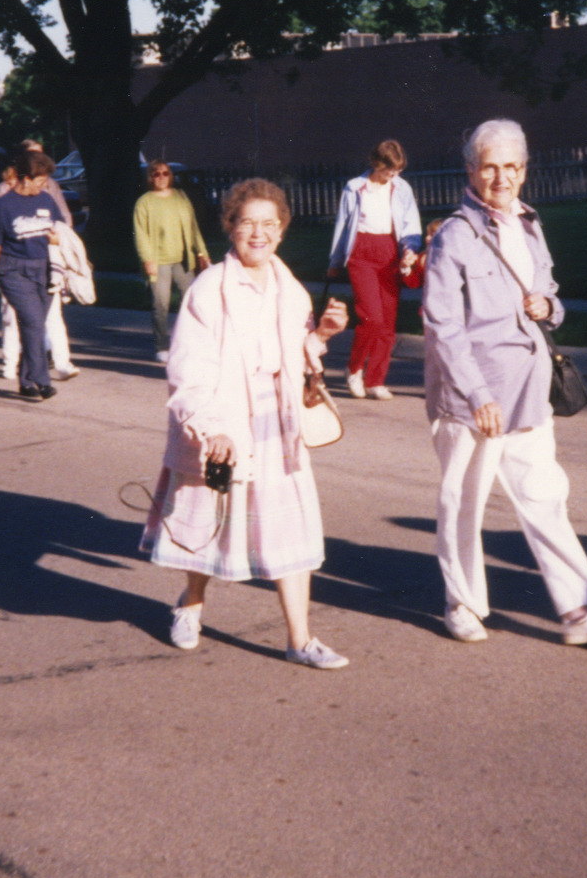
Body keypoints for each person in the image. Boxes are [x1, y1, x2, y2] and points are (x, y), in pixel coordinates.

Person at [421, 119, 587, 647]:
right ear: (471, 171)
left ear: (523, 170)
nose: (501, 177)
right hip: (475, 399)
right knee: (464, 502)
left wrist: (550, 306)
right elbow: (441, 324)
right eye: (489, 167)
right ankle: (462, 605)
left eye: (511, 167)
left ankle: (581, 613)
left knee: (545, 496)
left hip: (528, 390)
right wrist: (477, 394)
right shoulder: (455, 235)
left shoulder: (529, 224)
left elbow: (548, 292)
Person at [140, 178, 352, 668]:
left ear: (282, 230)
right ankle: (191, 604)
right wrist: (210, 427)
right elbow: (188, 369)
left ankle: (299, 640)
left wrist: (321, 335)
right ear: (230, 227)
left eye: (269, 224)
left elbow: (295, 358)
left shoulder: (289, 287)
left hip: (277, 426)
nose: (259, 233)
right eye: (248, 223)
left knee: (291, 531)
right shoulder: (210, 289)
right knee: (212, 525)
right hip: (225, 423)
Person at [326, 139, 422, 401]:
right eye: (390, 169)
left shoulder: (401, 188)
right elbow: (343, 226)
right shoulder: (355, 188)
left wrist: (410, 248)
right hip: (362, 254)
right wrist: (335, 261)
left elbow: (410, 222)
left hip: (390, 253)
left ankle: (375, 380)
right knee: (372, 318)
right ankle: (354, 368)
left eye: (398, 169)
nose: (394, 174)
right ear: (377, 164)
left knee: (387, 322)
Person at [0, 150, 66, 399]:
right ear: (25, 179)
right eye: (40, 181)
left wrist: (58, 240)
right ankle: (42, 380)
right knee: (34, 323)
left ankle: (26, 382)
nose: (43, 186)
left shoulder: (47, 200)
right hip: (14, 271)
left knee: (33, 326)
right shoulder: (4, 206)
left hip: (45, 270)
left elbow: (61, 230)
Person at [133, 159, 210, 362]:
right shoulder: (144, 202)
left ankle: (191, 343)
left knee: (191, 301)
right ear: (150, 178)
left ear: (170, 176)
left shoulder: (181, 197)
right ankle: (162, 347)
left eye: (165, 173)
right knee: (161, 305)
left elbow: (193, 227)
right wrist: (147, 259)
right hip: (159, 261)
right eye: (156, 174)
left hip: (183, 260)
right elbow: (140, 234)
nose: (161, 177)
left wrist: (201, 252)